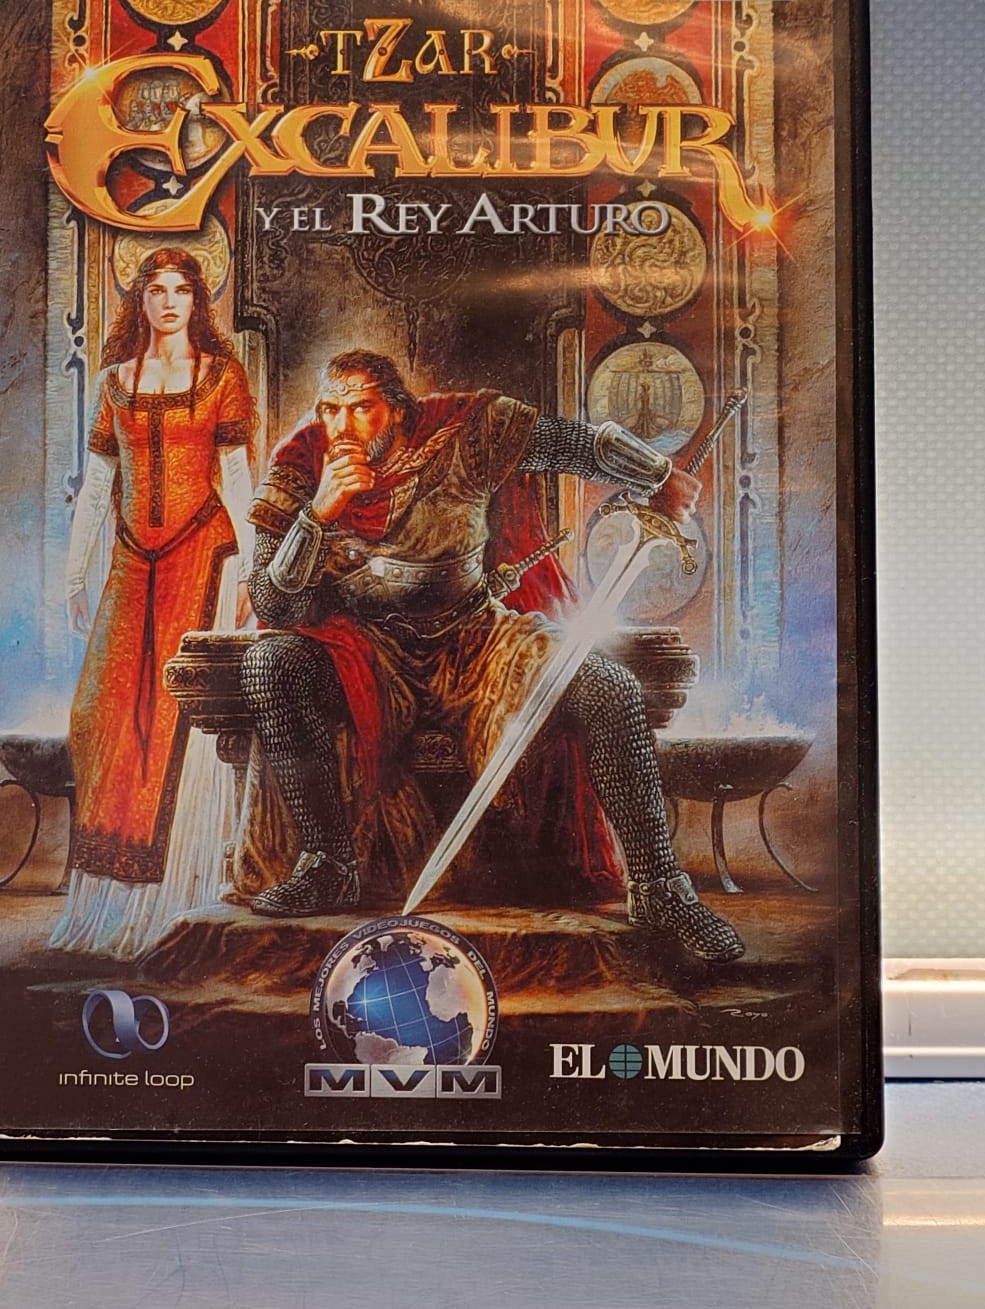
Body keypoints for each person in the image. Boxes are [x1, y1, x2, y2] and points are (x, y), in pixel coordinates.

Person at [241, 349, 744, 966]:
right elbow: (274, 603)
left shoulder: (462, 432)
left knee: (606, 685)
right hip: (367, 648)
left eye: (361, 408)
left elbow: (569, 444)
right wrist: (318, 514)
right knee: (271, 664)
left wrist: (659, 475)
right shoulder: (300, 465)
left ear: (396, 410)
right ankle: (327, 865)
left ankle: (661, 889)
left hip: (474, 638)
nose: (341, 426)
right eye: (330, 409)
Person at [50, 248, 255, 956]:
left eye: (181, 291)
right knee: (102, 711)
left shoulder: (222, 377)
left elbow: (237, 476)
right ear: (140, 301)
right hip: (133, 560)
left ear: (198, 302)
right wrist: (74, 577)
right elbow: (97, 486)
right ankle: (109, 903)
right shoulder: (114, 381)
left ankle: (180, 899)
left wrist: (252, 571)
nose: (169, 302)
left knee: (180, 714)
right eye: (156, 290)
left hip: (206, 556)